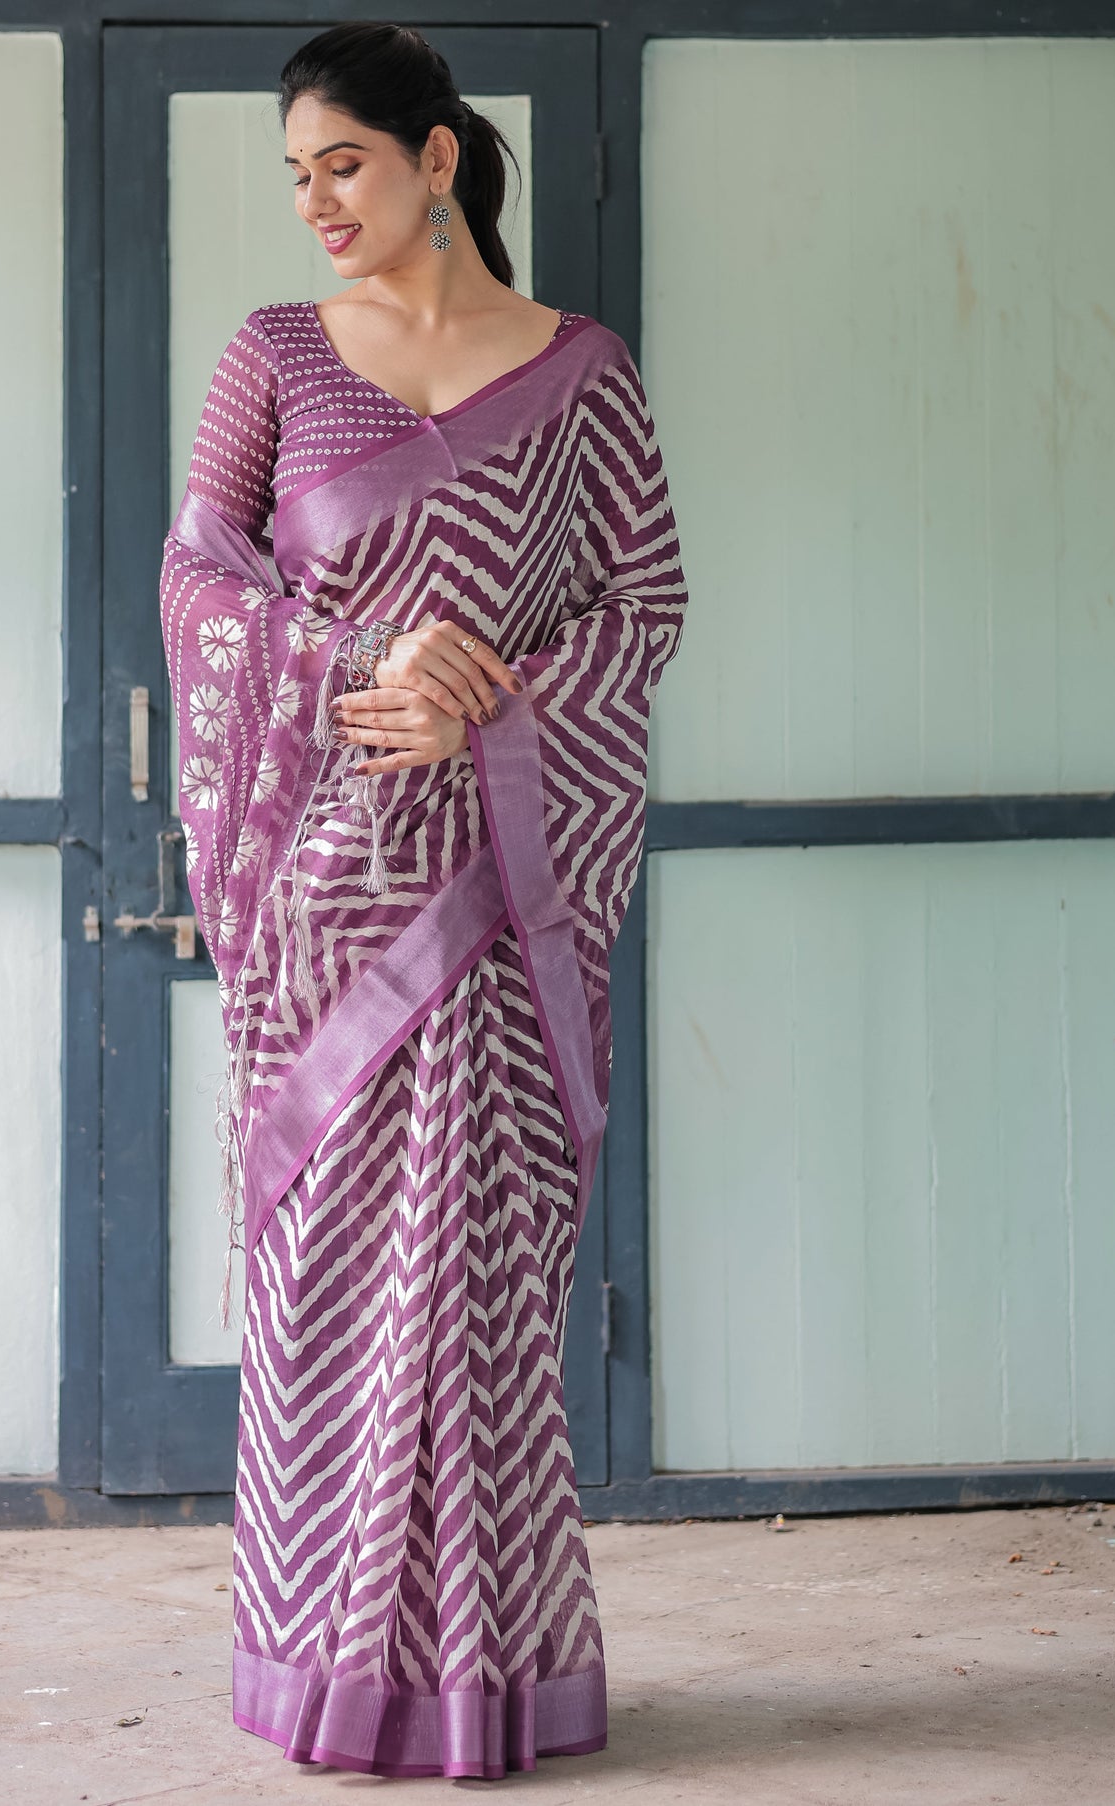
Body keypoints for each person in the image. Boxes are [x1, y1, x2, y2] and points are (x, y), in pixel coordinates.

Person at [158, 20, 689, 1782]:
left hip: (506, 901)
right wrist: (364, 653)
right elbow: (199, 583)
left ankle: (490, 1680)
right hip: (326, 909)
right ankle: (325, 1672)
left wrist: (502, 694)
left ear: (436, 157)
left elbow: (643, 602)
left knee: (478, 1304)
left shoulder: (582, 372)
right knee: (321, 1297)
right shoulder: (274, 358)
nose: (316, 202)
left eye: (347, 164)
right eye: (295, 174)